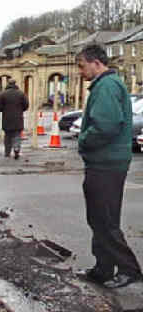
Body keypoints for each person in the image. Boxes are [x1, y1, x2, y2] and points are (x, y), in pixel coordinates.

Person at [75, 44, 142, 288]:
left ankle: (129, 269)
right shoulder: (105, 85)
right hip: (104, 162)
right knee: (98, 218)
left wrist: (83, 140)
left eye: (82, 66)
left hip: (106, 163)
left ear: (96, 63)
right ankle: (103, 268)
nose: (80, 72)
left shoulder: (107, 86)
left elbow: (106, 125)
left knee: (104, 219)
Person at [0, 79, 29, 159]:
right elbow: (26, 105)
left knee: (7, 136)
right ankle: (16, 149)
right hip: (18, 118)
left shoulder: (2, 94)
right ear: (15, 84)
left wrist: (2, 109)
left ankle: (7, 152)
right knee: (17, 135)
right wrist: (21, 109)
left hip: (6, 118)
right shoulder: (21, 94)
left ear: (8, 84)